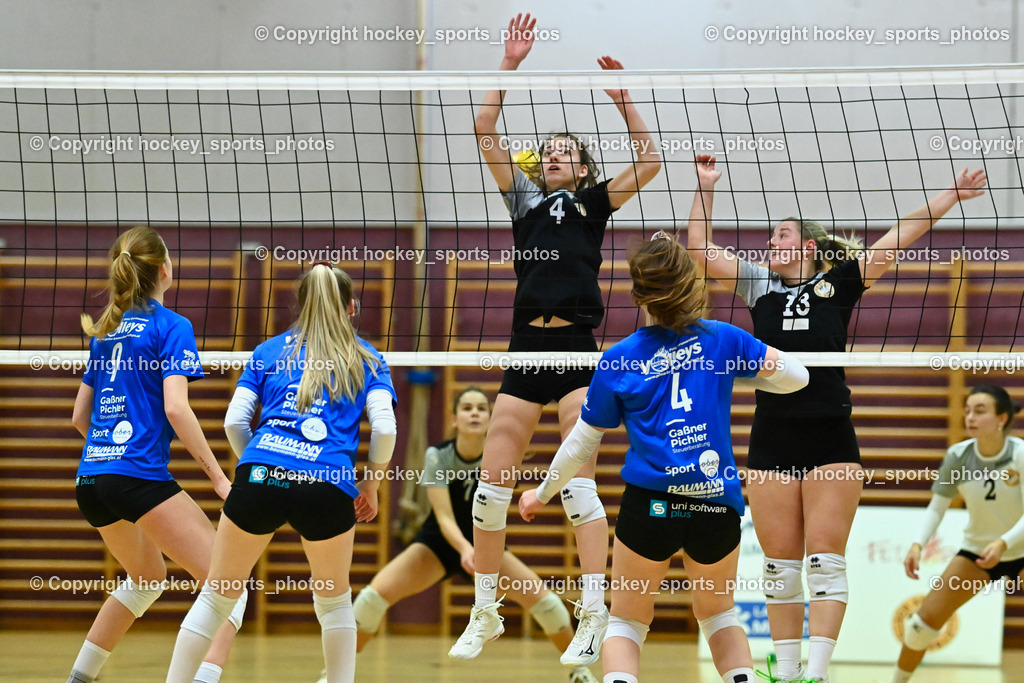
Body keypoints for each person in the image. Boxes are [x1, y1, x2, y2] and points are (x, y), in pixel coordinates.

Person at [686, 154, 988, 682]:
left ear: (805, 245)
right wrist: (705, 186)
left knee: (825, 561)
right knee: (779, 568)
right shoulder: (759, 286)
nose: (769, 244)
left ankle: (817, 675)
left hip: (830, 437)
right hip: (772, 438)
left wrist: (951, 195)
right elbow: (700, 252)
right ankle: (787, 670)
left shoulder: (839, 284)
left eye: (779, 235)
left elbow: (897, 239)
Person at [451, 12, 662, 665]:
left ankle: (594, 611)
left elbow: (651, 161)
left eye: (566, 150)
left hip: (575, 351)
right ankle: (485, 607)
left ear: (583, 166)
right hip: (525, 349)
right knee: (491, 485)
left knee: (576, 485)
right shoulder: (524, 202)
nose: (554, 154)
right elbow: (484, 129)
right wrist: (508, 64)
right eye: (548, 150)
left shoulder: (596, 203)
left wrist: (627, 103)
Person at [520, 234, 809, 683]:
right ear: (692, 285)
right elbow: (798, 377)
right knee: (718, 616)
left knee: (627, 622)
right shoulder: (724, 341)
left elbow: (580, 444)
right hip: (714, 501)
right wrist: (738, 377)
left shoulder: (619, 359)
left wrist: (541, 494)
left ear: (638, 294)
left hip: (651, 506)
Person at [164, 263, 397, 683]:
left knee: (217, 597)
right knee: (334, 603)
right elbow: (385, 428)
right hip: (327, 483)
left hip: (260, 475)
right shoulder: (369, 358)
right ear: (351, 307)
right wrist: (372, 485)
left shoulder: (268, 351)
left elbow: (234, 422)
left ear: (301, 305)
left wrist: (254, 465)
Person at [325, 387, 597, 683]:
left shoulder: (502, 460)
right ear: (454, 419)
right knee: (370, 601)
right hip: (437, 546)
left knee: (549, 606)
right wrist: (467, 550)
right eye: (467, 408)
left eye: (481, 408)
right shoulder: (438, 456)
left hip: (489, 550)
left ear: (491, 419)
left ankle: (579, 672)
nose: (475, 413)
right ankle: (334, 675)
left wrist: (479, 553)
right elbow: (443, 516)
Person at [68, 225, 243, 683]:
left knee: (146, 578)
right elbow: (175, 407)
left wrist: (110, 453)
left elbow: (78, 418)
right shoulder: (172, 326)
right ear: (165, 270)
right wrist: (220, 479)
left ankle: (79, 678)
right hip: (136, 477)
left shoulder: (106, 330)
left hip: (92, 479)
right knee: (228, 584)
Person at [892, 385, 1023, 682]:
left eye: (980, 411)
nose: (970, 418)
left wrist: (1004, 542)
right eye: (967, 411)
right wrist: (917, 544)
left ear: (1002, 418)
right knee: (921, 625)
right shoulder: (958, 456)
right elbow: (938, 507)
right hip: (978, 551)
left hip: (1018, 548)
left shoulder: (1020, 454)